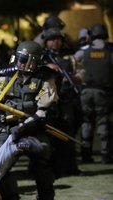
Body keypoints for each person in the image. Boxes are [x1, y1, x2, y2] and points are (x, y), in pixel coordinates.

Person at [0, 41, 59, 200]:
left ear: (34, 61)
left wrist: (24, 128)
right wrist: (2, 130)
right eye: (18, 57)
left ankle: (46, 197)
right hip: (10, 130)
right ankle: (11, 197)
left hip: (34, 130)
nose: (19, 62)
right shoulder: (7, 77)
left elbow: (44, 111)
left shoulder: (44, 78)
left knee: (42, 160)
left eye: (24, 59)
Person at [41, 27, 83, 177]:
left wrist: (74, 77)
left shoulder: (69, 57)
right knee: (50, 135)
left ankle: (71, 167)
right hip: (48, 101)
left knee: (68, 134)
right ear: (46, 42)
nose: (55, 42)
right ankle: (51, 168)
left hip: (66, 99)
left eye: (58, 39)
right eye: (52, 39)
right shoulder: (41, 57)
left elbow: (81, 73)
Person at [77, 24, 113, 164]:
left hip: (86, 92)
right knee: (103, 122)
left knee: (87, 122)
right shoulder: (109, 52)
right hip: (103, 92)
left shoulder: (83, 52)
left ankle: (86, 154)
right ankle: (105, 155)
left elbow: (73, 65)